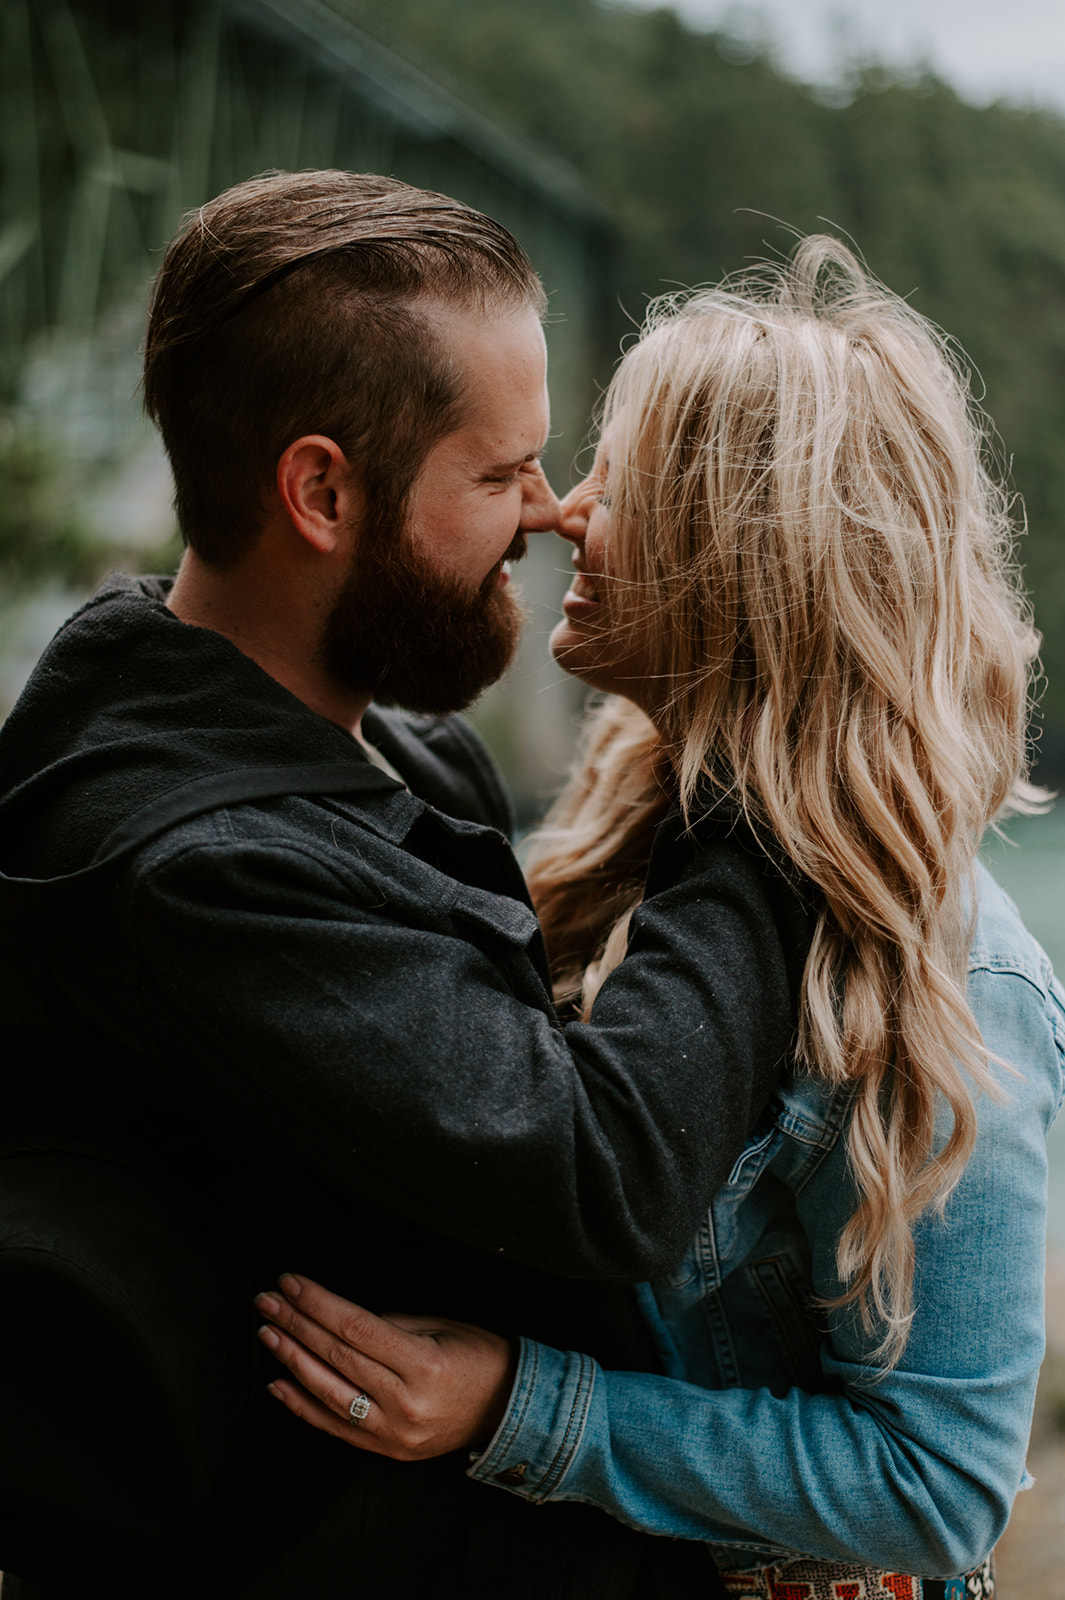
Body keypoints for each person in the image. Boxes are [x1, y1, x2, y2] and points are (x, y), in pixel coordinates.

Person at [0, 170, 805, 1600]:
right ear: (320, 490)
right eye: (498, 474)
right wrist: (761, 767)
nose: (549, 517)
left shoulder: (399, 754)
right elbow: (599, 1175)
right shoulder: (191, 867)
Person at [254, 237, 1065, 1598]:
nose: (564, 512)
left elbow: (936, 1487)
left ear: (744, 552)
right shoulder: (636, 834)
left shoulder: (954, 989)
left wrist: (517, 1407)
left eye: (622, 488)